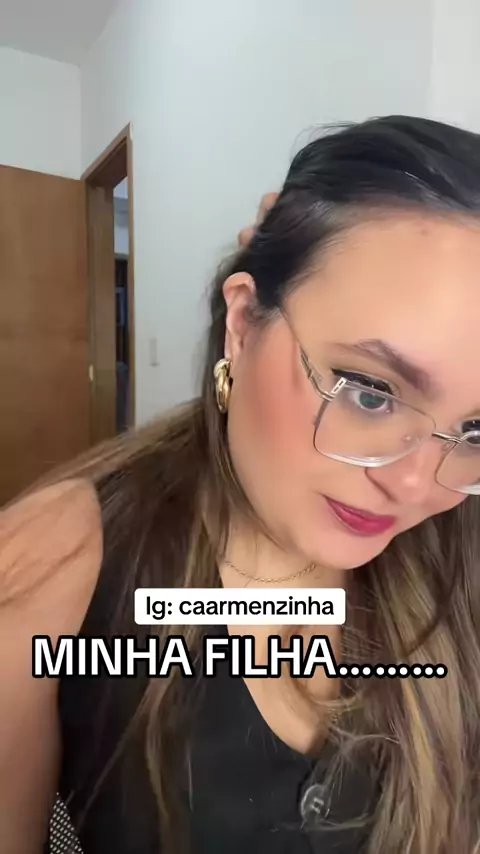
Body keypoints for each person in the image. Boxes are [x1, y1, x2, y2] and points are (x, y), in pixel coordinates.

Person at [2, 115, 480, 854]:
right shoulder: (61, 560)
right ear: (242, 324)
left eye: (475, 431)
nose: (415, 484)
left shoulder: (461, 542)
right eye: (369, 392)